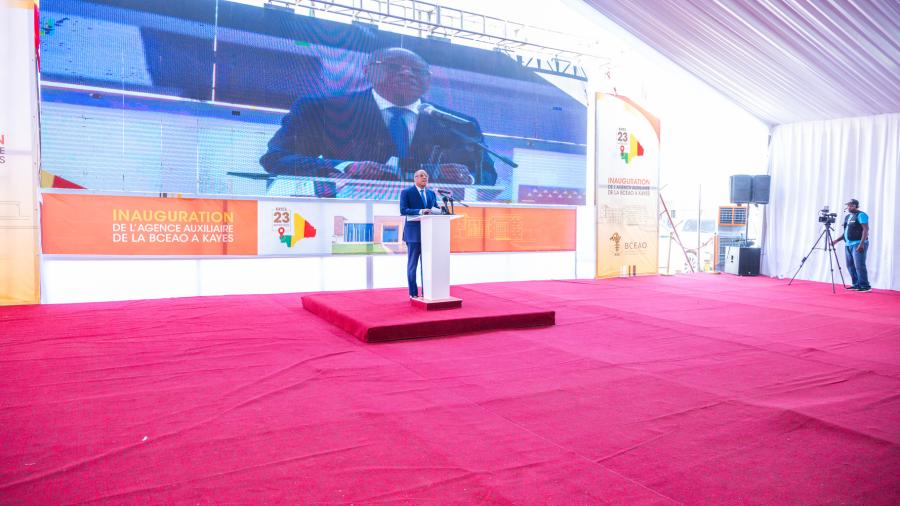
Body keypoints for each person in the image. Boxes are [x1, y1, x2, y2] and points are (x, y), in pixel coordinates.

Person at [260, 47, 496, 186]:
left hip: (433, 225)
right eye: (393, 66)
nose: (407, 73)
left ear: (428, 80)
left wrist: (468, 177)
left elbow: (487, 174)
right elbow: (277, 159)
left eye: (417, 70)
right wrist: (345, 167)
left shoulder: (459, 124)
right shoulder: (321, 109)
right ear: (368, 71)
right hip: (346, 221)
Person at [400, 169, 441, 299]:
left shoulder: (431, 193)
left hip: (428, 234)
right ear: (415, 178)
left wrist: (441, 210)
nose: (425, 178)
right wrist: (420, 211)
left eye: (426, 176)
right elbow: (403, 210)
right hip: (413, 234)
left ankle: (426, 292)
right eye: (422, 176)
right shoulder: (406, 192)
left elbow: (435, 208)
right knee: (413, 265)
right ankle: (413, 293)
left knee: (427, 265)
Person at [832, 198, 871, 292]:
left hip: (858, 243)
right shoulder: (848, 217)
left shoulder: (861, 215)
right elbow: (846, 232)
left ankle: (865, 286)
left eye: (851, 205)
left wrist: (861, 244)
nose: (849, 207)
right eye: (848, 205)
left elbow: (866, 230)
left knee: (859, 265)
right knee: (850, 265)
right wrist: (836, 241)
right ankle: (856, 284)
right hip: (848, 244)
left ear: (856, 206)